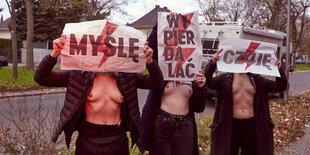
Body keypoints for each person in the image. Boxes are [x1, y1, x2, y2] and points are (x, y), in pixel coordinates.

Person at [34, 34, 163, 155]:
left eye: (108, 51)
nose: (104, 56)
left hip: (117, 136)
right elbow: (42, 78)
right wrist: (54, 54)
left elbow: (156, 84)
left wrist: (150, 62)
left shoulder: (127, 76)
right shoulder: (79, 76)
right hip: (88, 137)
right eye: (100, 51)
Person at [139, 21, 208, 155]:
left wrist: (202, 87)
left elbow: (200, 108)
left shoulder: (193, 73)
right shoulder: (163, 69)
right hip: (162, 124)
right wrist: (162, 23)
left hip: (185, 126)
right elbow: (151, 45)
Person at [205, 49, 288, 155]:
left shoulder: (257, 80)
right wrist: (212, 64)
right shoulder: (224, 79)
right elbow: (207, 82)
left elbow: (280, 86)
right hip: (230, 125)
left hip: (251, 124)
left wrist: (279, 69)